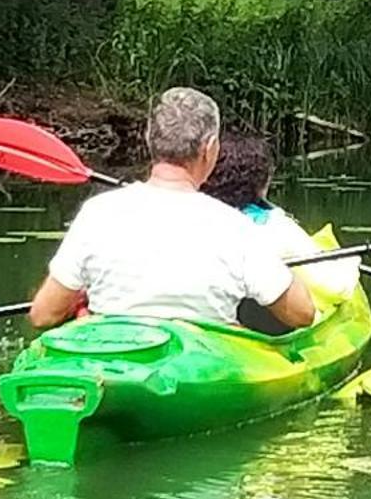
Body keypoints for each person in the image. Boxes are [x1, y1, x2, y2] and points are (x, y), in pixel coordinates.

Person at [28, 87, 317, 334]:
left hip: (111, 356)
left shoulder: (96, 212)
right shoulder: (235, 226)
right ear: (211, 148)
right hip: (202, 369)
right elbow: (302, 314)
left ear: (148, 139)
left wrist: (82, 300)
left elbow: (43, 315)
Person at [201, 131, 324, 335]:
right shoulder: (276, 226)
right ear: (261, 183)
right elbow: (333, 287)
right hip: (260, 333)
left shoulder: (191, 218)